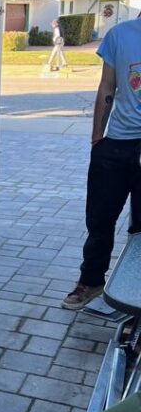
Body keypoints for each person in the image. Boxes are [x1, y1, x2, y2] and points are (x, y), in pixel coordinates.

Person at [62, 18, 141, 308]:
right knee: (99, 220)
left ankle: (135, 296)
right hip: (116, 143)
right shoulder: (119, 34)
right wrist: (98, 136)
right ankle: (91, 281)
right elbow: (107, 84)